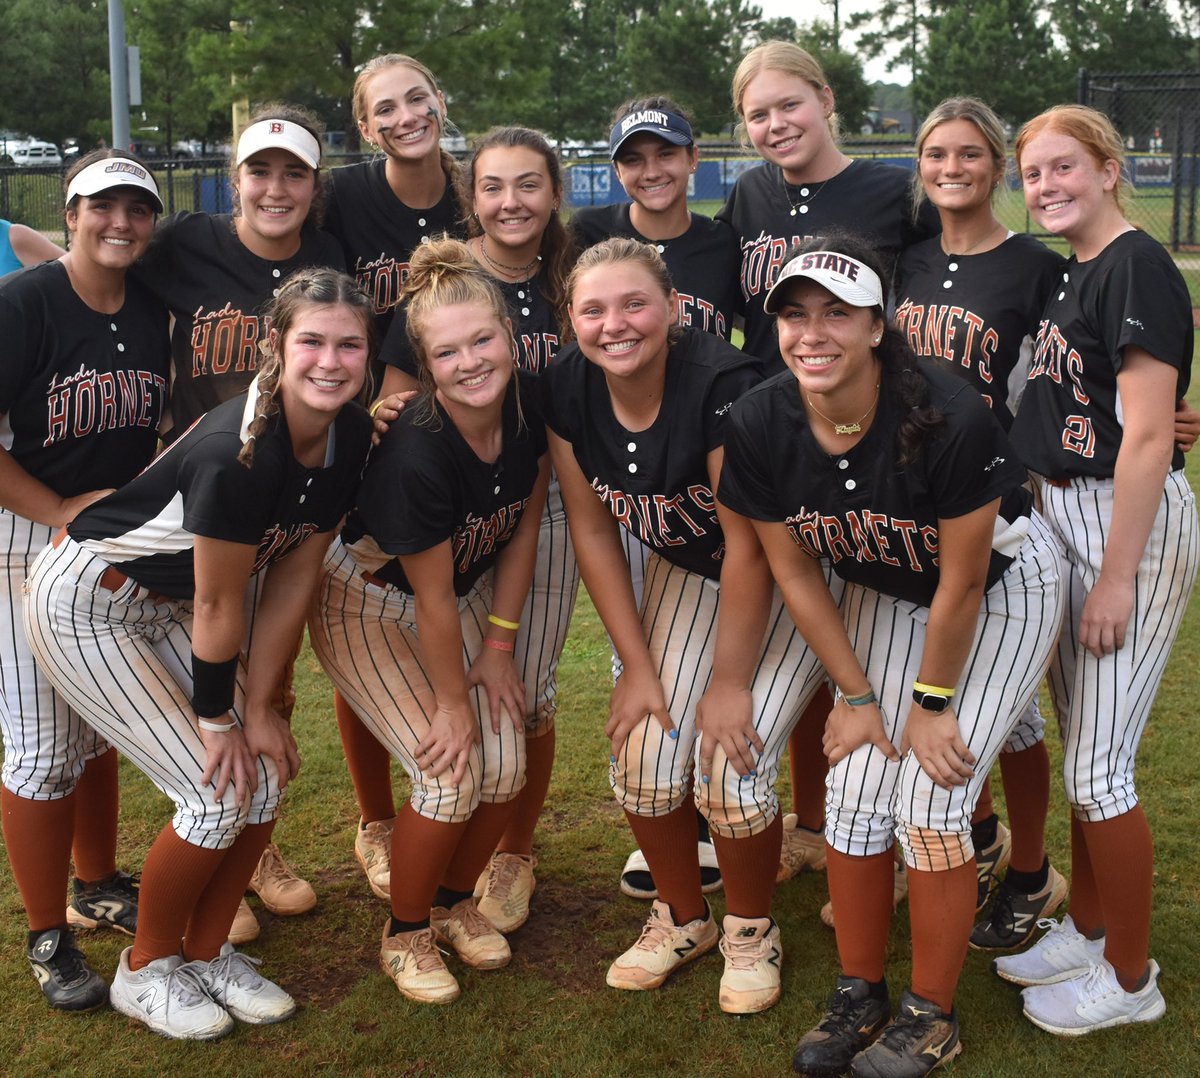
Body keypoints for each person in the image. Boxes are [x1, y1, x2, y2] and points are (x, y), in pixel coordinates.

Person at [718, 236, 1062, 1075]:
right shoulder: (761, 418)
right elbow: (793, 567)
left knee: (934, 798)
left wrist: (931, 703)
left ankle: (931, 1015)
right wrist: (858, 694)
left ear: (878, 325)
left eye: (837, 312)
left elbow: (963, 586)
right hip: (883, 592)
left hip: (1001, 589)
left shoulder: (945, 411)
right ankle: (859, 991)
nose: (813, 332)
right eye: (795, 314)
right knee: (857, 786)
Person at [23, 267, 375, 1039]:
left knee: (269, 768)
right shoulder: (237, 451)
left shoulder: (348, 432)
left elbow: (296, 572)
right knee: (216, 790)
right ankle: (146, 968)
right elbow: (220, 603)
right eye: (311, 341)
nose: (330, 361)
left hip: (168, 606)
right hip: (92, 603)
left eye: (350, 344)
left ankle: (207, 951)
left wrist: (259, 705)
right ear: (275, 346)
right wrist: (220, 719)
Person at [540, 236, 827, 1014]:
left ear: (673, 308)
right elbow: (596, 530)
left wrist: (728, 684)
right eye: (593, 309)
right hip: (690, 572)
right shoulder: (568, 382)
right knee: (643, 752)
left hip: (792, 572)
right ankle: (683, 915)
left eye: (635, 303)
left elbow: (752, 549)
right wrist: (635, 665)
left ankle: (751, 927)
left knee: (732, 767)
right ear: (570, 319)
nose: (615, 324)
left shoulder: (723, 384)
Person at [719, 39, 940, 899]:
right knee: (812, 625)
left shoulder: (891, 189)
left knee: (902, 636)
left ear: (826, 97)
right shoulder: (749, 194)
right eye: (758, 114)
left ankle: (959, 829)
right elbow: (749, 320)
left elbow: (937, 306)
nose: (776, 125)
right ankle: (817, 827)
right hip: (785, 440)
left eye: (789, 104)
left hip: (882, 440)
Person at [996, 105, 1199, 1037]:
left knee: (1102, 773)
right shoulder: (1075, 270)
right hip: (1062, 509)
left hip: (1127, 526)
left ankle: (1129, 977)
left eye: (1064, 166)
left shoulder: (1136, 263)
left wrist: (1118, 574)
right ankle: (1086, 927)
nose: (1046, 185)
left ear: (1111, 169)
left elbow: (1150, 433)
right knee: (1084, 743)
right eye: (1032, 173)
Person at [308, 237, 550, 1004]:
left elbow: (524, 529)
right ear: (424, 365)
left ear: (511, 337)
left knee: (505, 768)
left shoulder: (527, 403)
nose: (472, 362)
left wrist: (502, 648)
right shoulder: (418, 447)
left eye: (484, 340)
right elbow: (432, 599)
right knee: (450, 776)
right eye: (448, 354)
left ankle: (448, 902)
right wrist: (454, 703)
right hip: (369, 603)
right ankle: (405, 930)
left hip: (460, 598)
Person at [132, 105, 345, 933]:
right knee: (197, 689)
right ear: (236, 180)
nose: (276, 188)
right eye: (261, 171)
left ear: (314, 186)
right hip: (192, 508)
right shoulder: (185, 244)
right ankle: (210, 838)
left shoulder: (328, 259)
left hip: (281, 514)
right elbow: (94, 259)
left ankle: (256, 848)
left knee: (272, 686)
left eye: (294, 173)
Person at [378, 127, 579, 934]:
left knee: (527, 691)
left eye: (529, 184)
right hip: (452, 520)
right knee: (469, 706)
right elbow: (398, 403)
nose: (511, 202)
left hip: (546, 501)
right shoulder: (446, 286)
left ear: (555, 192)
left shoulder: (575, 271)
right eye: (493, 186)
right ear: (472, 197)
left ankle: (512, 854)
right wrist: (385, 414)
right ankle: (424, 861)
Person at [894, 96, 1069, 949]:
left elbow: (1070, 377)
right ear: (919, 165)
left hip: (996, 504)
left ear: (997, 166)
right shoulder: (909, 261)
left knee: (1018, 716)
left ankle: (1034, 872)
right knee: (957, 688)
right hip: (912, 502)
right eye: (935, 154)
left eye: (968, 155)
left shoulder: (1035, 267)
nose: (951, 168)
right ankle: (982, 837)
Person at [0, 151, 168, 1012]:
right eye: (103, 207)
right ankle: (45, 935)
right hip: (25, 532)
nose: (121, 223)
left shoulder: (148, 307)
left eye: (137, 209)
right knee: (39, 745)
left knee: (96, 725)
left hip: (107, 533)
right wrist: (56, 505)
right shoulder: (23, 303)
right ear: (70, 214)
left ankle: (95, 880)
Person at [570, 95, 740, 901]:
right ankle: (676, 827)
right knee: (645, 676)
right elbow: (589, 528)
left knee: (744, 705)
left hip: (721, 486)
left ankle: (778, 827)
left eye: (664, 154)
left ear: (692, 158)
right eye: (633, 157)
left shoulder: (725, 245)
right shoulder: (585, 239)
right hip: (636, 489)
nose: (651, 169)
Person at [321, 52, 470, 905]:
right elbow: (329, 305)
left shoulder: (470, 190)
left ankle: (472, 830)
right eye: (387, 108)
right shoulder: (347, 197)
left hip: (460, 428)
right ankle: (377, 820)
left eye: (419, 96)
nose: (407, 114)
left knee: (444, 603)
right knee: (369, 628)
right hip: (365, 424)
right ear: (366, 126)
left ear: (440, 100)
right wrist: (375, 400)